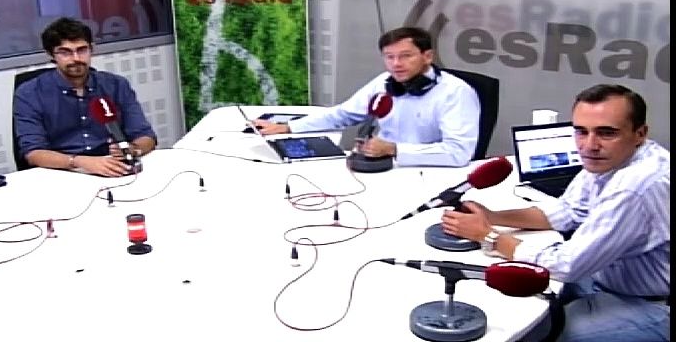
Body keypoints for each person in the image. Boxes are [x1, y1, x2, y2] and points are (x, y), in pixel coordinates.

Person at [441, 84, 669, 341]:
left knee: (534, 332)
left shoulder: (635, 187)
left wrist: (489, 236)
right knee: (513, 299)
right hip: (607, 277)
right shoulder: (612, 159)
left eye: (607, 133)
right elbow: (568, 211)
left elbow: (568, 265)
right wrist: (493, 216)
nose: (589, 145)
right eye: (581, 131)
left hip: (650, 303)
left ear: (640, 133)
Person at [253, 27, 480, 167]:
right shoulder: (385, 82)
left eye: (405, 56)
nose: (396, 64)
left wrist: (393, 149)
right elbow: (343, 115)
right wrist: (289, 127)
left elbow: (458, 153)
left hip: (430, 175)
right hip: (382, 167)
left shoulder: (456, 93)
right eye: (389, 57)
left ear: (427, 56)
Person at [13, 17, 157, 177]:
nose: (76, 58)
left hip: (112, 165)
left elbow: (146, 136)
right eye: (65, 52)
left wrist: (134, 149)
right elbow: (33, 153)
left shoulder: (116, 85)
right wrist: (81, 162)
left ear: (91, 49)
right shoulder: (29, 92)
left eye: (82, 50)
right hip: (61, 171)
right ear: (50, 54)